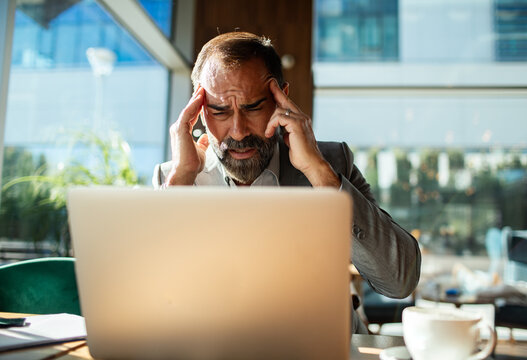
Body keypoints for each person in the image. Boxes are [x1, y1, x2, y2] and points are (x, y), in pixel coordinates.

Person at [153, 31, 421, 334]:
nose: (238, 131)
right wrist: (180, 180)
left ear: (282, 100)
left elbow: (400, 280)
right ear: (198, 113)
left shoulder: (331, 162)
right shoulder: (173, 181)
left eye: (253, 107)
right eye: (220, 111)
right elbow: (150, 303)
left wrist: (320, 175)